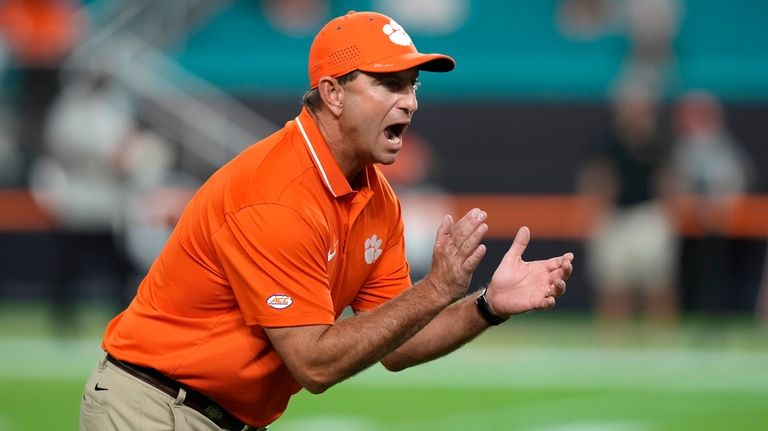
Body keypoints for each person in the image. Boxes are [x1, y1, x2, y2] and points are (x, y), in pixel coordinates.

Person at [80, 11, 574, 431]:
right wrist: (436, 289)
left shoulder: (375, 196)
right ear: (333, 93)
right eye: (389, 83)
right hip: (152, 406)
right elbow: (313, 363)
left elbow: (399, 343)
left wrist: (487, 306)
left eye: (413, 84)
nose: (411, 101)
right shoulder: (276, 195)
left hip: (211, 413)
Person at [578, 85, 678, 329]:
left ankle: (660, 337)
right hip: (614, 216)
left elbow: (668, 175)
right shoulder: (607, 138)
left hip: (648, 213)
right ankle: (614, 338)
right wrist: (592, 211)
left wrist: (671, 212)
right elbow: (597, 175)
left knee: (657, 282)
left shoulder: (657, 138)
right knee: (613, 283)